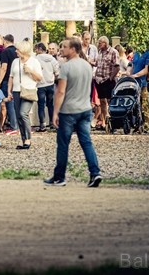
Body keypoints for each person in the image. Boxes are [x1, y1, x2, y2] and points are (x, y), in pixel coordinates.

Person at [44, 38, 102, 187]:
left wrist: (55, 112)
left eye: (64, 47)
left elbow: (61, 91)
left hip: (68, 110)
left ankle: (60, 177)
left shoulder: (66, 67)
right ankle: (95, 172)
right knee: (86, 142)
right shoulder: (87, 66)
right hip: (85, 109)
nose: (61, 49)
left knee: (63, 144)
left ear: (73, 49)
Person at [8, 40, 42, 150]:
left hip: (29, 90)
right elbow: (11, 77)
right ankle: (23, 140)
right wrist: (9, 90)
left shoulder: (34, 62)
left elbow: (39, 78)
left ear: (23, 51)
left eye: (18, 49)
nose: (16, 51)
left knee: (23, 113)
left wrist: (30, 71)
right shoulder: (15, 62)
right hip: (16, 90)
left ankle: (28, 138)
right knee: (18, 116)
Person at [130, 45, 149, 133]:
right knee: (136, 104)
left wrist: (135, 75)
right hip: (135, 83)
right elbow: (132, 65)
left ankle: (146, 125)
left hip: (144, 83)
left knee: (144, 104)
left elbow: (147, 69)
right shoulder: (137, 53)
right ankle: (138, 124)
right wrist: (128, 73)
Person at [93, 36, 119, 130]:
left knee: (110, 100)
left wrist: (111, 77)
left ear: (105, 43)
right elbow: (97, 64)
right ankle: (104, 121)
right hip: (99, 80)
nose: (99, 45)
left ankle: (112, 121)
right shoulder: (100, 52)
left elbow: (117, 66)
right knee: (102, 101)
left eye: (100, 43)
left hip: (108, 79)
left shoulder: (113, 52)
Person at [0, 34, 18, 135]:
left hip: (7, 80)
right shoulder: (18, 51)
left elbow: (4, 67)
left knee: (9, 103)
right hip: (17, 79)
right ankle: (17, 124)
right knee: (16, 103)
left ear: (5, 41)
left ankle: (14, 126)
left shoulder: (5, 52)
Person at [35, 42, 59, 131]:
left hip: (40, 84)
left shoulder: (36, 59)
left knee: (41, 105)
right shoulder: (52, 59)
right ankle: (52, 123)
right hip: (50, 84)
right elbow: (57, 71)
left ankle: (42, 124)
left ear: (39, 49)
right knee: (51, 104)